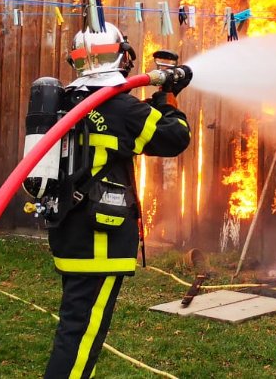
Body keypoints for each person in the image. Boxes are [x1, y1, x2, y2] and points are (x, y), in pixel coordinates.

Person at [44, 20, 191, 379]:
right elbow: (174, 138)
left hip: (69, 234)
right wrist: (168, 97)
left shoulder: (65, 100)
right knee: (80, 335)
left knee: (76, 326)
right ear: (120, 57)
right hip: (99, 242)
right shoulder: (120, 108)